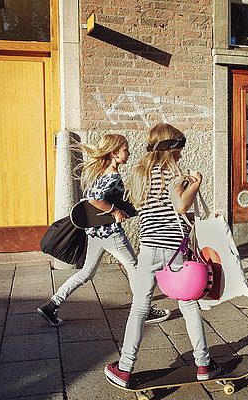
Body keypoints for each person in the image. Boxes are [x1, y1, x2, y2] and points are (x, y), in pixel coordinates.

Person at [104, 123, 221, 387]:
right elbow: (180, 206)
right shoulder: (173, 174)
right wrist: (195, 184)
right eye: (179, 149)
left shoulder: (139, 175)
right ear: (171, 148)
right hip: (172, 250)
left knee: (140, 307)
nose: (181, 154)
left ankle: (124, 368)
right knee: (189, 303)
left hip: (148, 247)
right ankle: (203, 364)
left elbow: (147, 208)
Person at [37, 134, 170, 326]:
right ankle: (145, 310)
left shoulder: (102, 172)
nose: (129, 153)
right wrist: (114, 211)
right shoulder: (112, 175)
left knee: (86, 273)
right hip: (110, 233)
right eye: (125, 150)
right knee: (134, 268)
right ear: (115, 153)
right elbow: (94, 199)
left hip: (95, 232)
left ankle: (52, 305)